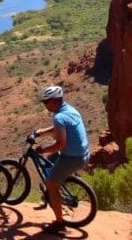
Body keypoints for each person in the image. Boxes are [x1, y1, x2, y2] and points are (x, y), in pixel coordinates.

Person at [33, 85, 90, 235]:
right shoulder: (69, 110)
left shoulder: (59, 117)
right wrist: (41, 132)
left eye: (46, 102)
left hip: (72, 158)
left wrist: (42, 149)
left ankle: (60, 224)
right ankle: (51, 194)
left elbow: (60, 144)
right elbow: (59, 128)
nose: (45, 105)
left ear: (54, 101)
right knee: (50, 160)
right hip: (83, 153)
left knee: (51, 183)